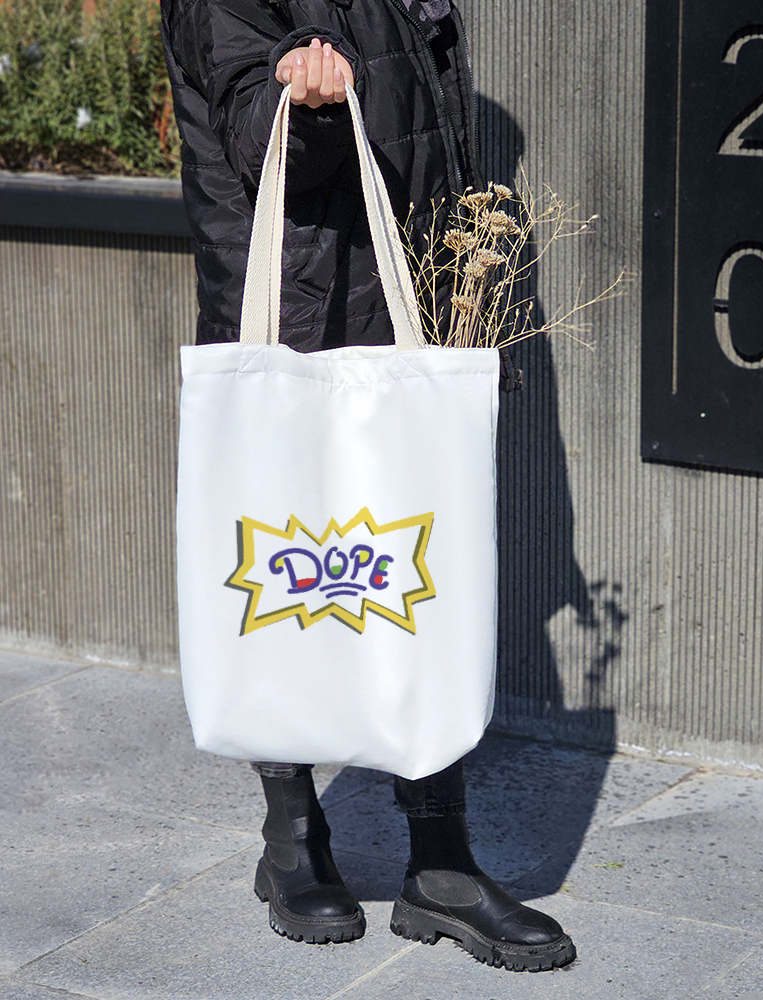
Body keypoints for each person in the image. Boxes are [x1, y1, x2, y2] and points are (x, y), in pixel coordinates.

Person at [159, 0, 574, 973]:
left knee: (417, 578)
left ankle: (442, 861)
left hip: (399, 299)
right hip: (297, 301)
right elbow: (254, 135)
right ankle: (293, 837)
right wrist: (300, 106)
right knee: (286, 572)